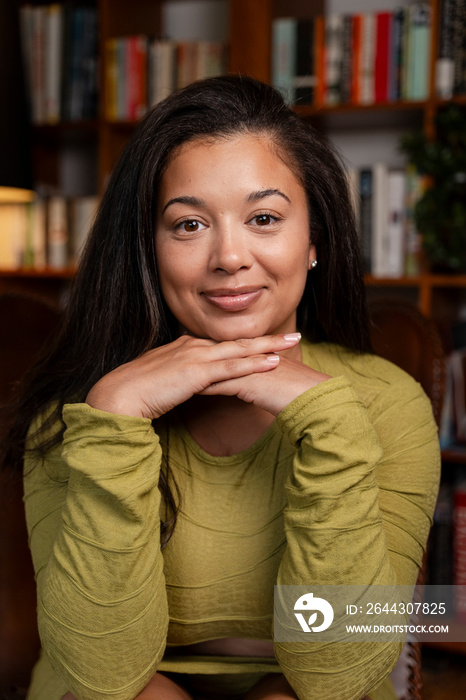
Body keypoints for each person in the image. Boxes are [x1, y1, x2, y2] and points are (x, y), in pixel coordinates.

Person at [2, 75, 440, 700]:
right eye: (188, 226)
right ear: (148, 247)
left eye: (264, 218)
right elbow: (104, 677)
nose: (229, 257)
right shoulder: (82, 410)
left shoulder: (385, 402)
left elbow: (337, 674)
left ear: (313, 240)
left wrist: (332, 422)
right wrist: (115, 418)